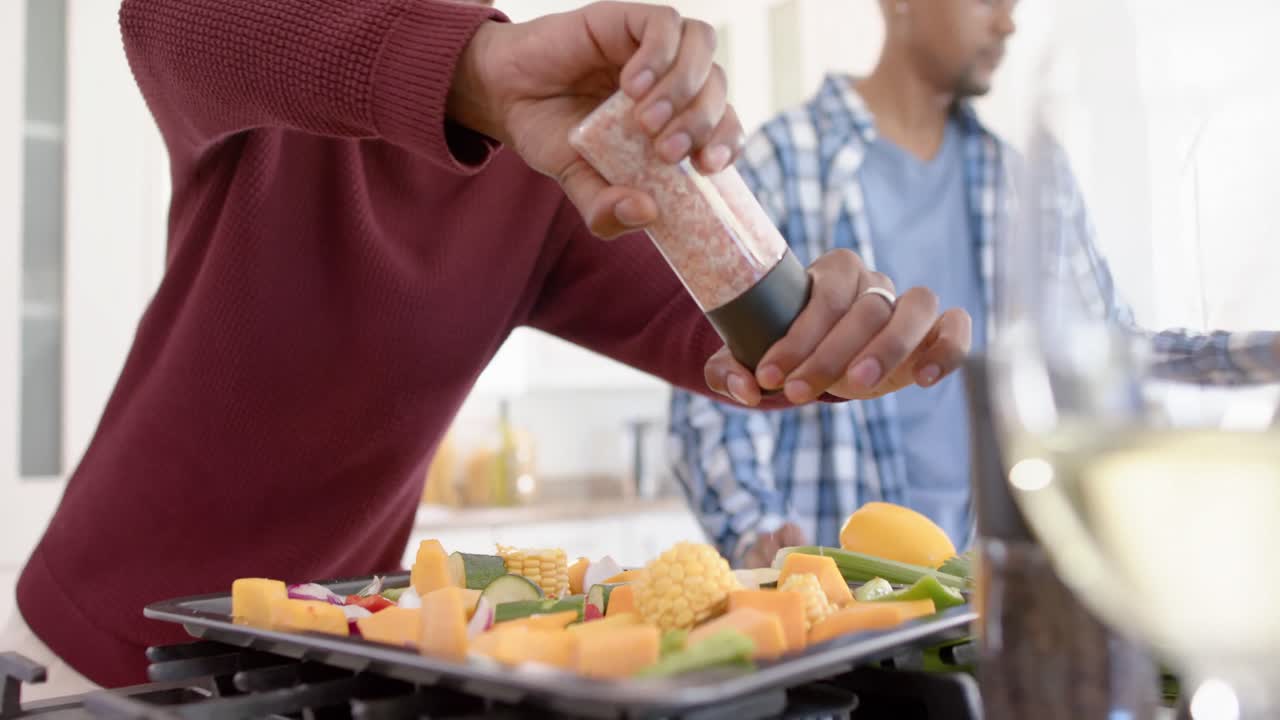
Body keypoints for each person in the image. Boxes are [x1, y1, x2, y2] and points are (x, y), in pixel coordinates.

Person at [2, 0, 973, 698]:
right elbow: (165, 20)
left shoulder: (544, 169)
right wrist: (477, 71)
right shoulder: (265, 64)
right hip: (101, 650)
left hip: (324, 658)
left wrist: (825, 333)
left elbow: (733, 339)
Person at [668, 0, 1280, 568]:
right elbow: (713, 391)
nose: (1007, 23)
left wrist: (1256, 357)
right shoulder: (779, 161)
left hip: (986, 593)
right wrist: (757, 530)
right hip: (834, 603)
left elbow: (1107, 355)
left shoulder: (1030, 182)